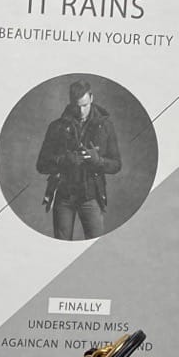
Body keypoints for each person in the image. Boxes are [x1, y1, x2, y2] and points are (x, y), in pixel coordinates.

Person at [36, 79, 121, 240]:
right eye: (77, 106)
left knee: (95, 245)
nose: (81, 111)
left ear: (92, 98)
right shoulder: (56, 127)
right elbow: (41, 165)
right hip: (63, 196)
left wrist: (99, 161)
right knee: (61, 245)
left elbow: (117, 165)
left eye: (85, 105)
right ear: (70, 102)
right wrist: (65, 160)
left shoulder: (106, 126)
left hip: (91, 197)